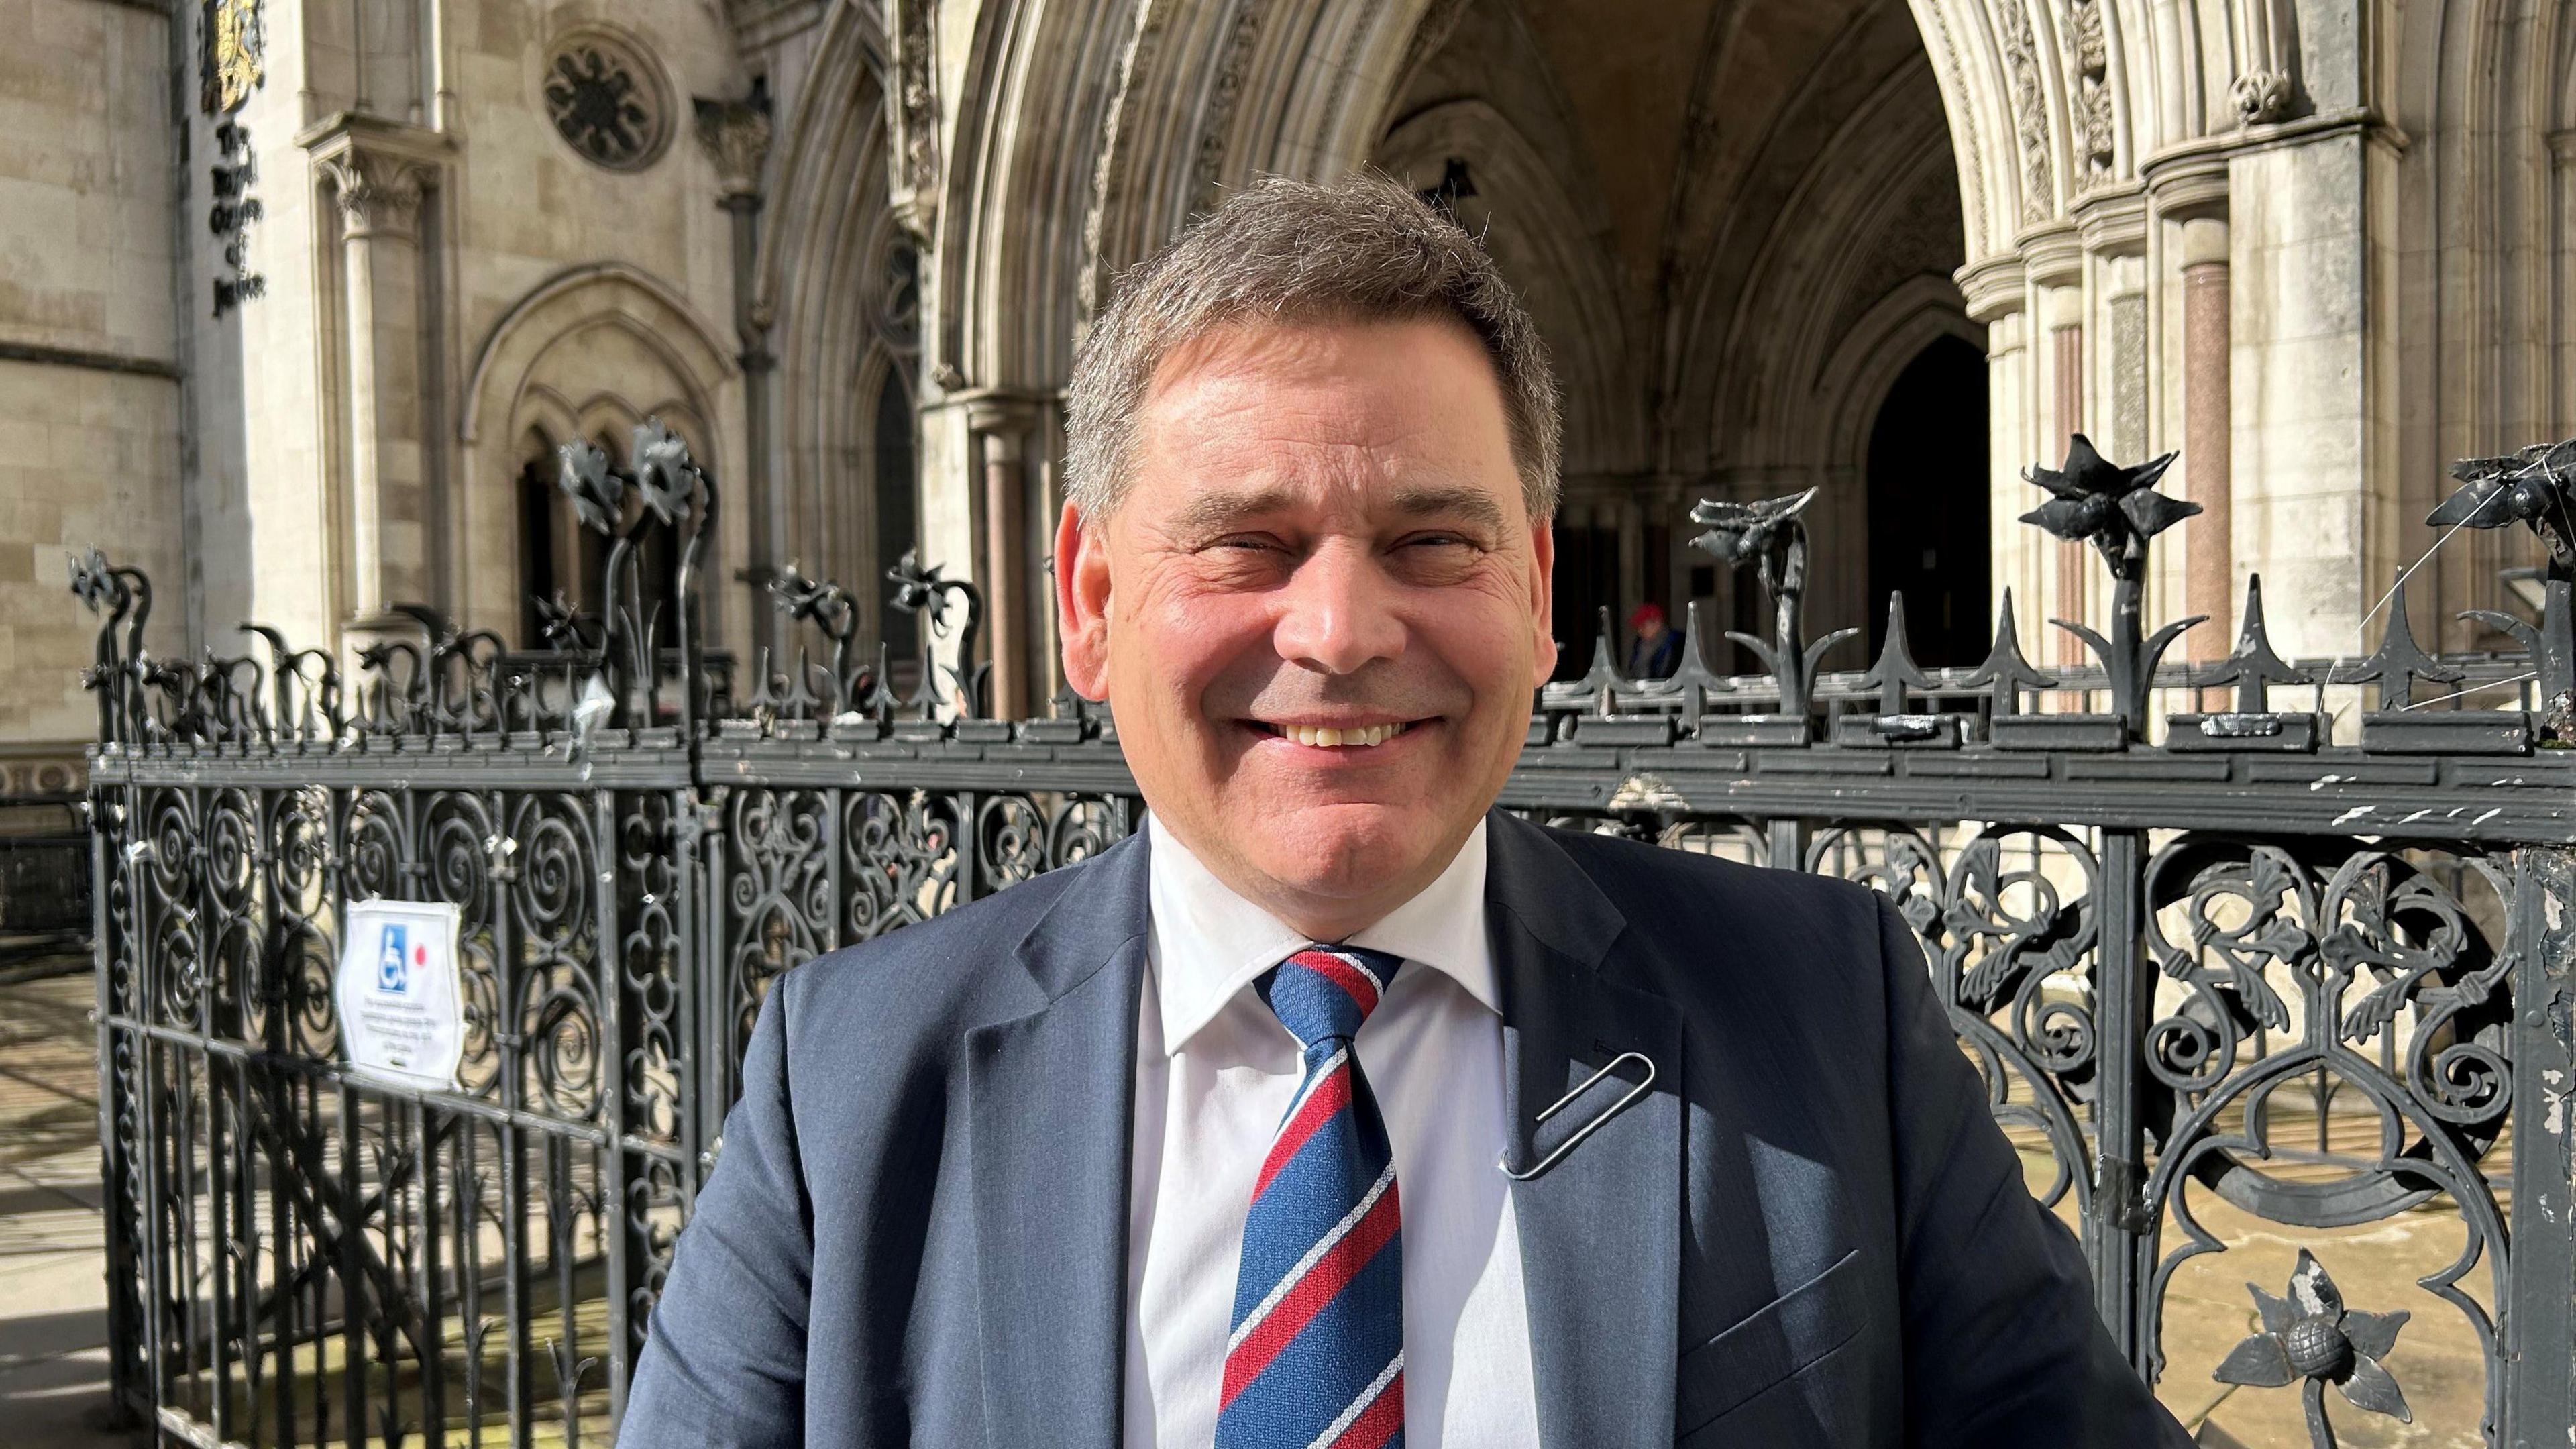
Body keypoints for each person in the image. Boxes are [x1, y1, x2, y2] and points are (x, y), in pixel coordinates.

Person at [621, 176, 2192, 1448]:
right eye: (1245, 543)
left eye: (1432, 541)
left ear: (1537, 590)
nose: (1338, 631)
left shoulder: (1817, 1008)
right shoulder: (850, 1079)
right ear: (1088, 601)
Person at [1626, 601, 1681, 679]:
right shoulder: (1639, 644)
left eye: (1643, 625)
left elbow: (1666, 674)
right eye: (1638, 627)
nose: (1640, 630)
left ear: (1657, 624)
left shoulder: (1674, 644)